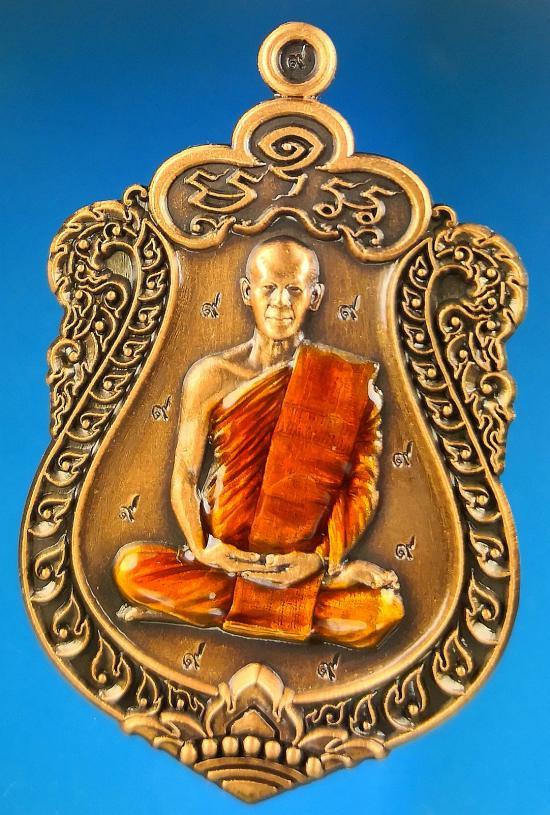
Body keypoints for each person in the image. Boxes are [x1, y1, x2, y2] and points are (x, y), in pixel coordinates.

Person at [113, 237, 404, 648]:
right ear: (247, 291)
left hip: (298, 563)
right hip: (224, 559)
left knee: (382, 612)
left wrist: (320, 560)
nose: (281, 303)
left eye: (295, 290)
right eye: (269, 288)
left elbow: (362, 489)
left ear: (315, 297)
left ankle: (210, 611)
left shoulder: (351, 383)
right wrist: (202, 548)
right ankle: (289, 610)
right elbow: (185, 475)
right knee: (130, 568)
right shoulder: (212, 375)